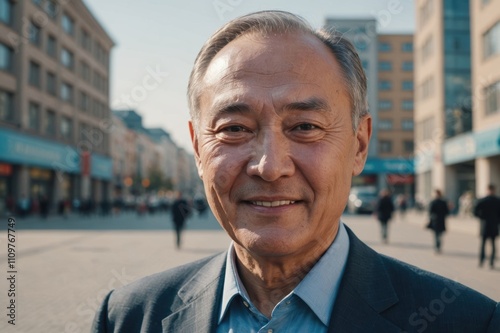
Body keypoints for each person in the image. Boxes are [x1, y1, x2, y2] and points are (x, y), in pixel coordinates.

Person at [92, 11, 499, 332]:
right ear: (198, 148)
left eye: (304, 127)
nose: (270, 167)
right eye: (234, 129)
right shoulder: (128, 319)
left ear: (359, 145)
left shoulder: (468, 323)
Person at [473, 184, 500, 269]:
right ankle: (485, 261)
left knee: (489, 244)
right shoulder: (495, 200)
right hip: (491, 225)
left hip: (487, 225)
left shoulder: (485, 200)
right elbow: (475, 210)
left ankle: (486, 261)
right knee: (486, 244)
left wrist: (480, 216)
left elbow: (475, 211)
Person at [428, 189, 450, 254]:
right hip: (440, 220)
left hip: (437, 220)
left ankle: (437, 246)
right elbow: (447, 212)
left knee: (437, 235)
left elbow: (430, 211)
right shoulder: (442, 202)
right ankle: (438, 246)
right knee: (438, 235)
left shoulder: (434, 202)